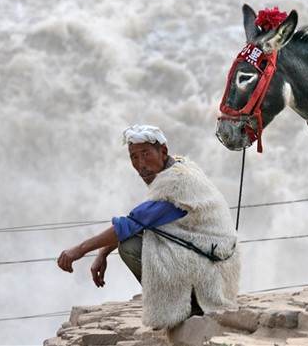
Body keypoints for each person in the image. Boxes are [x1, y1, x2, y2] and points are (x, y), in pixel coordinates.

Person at [57, 124, 240, 330]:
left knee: (130, 246)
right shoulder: (179, 166)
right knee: (141, 237)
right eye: (134, 157)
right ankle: (181, 299)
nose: (141, 164)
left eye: (146, 154)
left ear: (163, 152)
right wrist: (103, 252)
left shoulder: (175, 184)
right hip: (215, 259)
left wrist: (79, 251)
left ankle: (184, 306)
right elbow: (141, 221)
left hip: (212, 268)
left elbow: (132, 225)